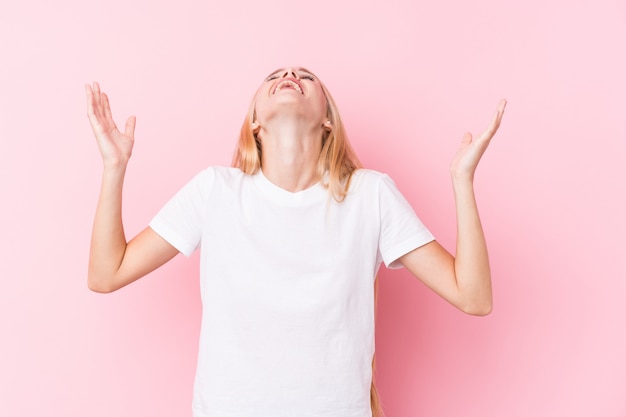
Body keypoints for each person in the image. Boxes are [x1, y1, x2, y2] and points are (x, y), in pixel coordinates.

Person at [85, 67, 506, 417]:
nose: (289, 74)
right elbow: (108, 273)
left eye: (306, 76)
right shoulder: (216, 191)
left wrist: (462, 181)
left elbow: (474, 296)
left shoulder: (370, 195)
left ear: (327, 120)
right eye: (275, 76)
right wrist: (114, 166)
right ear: (255, 123)